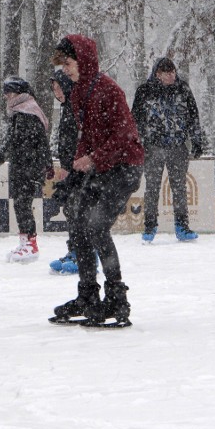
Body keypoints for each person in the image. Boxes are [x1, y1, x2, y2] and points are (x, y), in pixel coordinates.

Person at [48, 34, 144, 327]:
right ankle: (88, 294)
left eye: (69, 62)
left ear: (84, 59)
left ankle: (117, 298)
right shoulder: (78, 93)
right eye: (62, 63)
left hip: (125, 167)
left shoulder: (108, 90)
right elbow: (86, 138)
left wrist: (94, 158)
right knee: (77, 222)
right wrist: (75, 171)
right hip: (101, 168)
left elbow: (125, 136)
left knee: (96, 226)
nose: (65, 68)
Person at [132, 57, 205, 243]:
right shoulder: (145, 92)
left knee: (180, 188)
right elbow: (135, 120)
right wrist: (135, 143)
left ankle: (182, 225)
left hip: (177, 146)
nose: (172, 75)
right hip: (152, 147)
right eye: (167, 72)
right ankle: (150, 226)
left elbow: (193, 116)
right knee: (152, 188)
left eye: (173, 72)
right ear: (157, 74)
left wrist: (196, 140)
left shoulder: (183, 89)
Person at [0, 76, 53, 263]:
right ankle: (25, 242)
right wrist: (47, 164)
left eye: (9, 92)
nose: (6, 96)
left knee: (23, 204)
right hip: (23, 166)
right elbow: (40, 142)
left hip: (28, 168)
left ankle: (31, 245)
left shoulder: (26, 113)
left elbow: (17, 142)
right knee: (20, 204)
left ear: (19, 93)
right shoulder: (21, 113)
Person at [47, 69, 84, 275]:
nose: (57, 92)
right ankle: (74, 250)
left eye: (60, 87)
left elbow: (78, 139)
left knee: (78, 211)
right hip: (70, 166)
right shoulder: (66, 107)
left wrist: (71, 165)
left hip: (80, 168)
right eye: (54, 89)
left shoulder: (76, 106)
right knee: (70, 210)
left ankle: (85, 253)